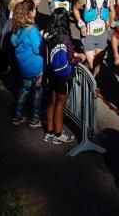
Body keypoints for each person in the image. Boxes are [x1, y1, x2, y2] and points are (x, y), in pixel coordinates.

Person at [42, 8, 85, 144]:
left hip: (50, 73)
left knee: (51, 101)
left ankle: (49, 132)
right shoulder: (65, 38)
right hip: (64, 75)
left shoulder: (46, 34)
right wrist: (81, 57)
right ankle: (58, 133)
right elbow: (71, 59)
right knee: (60, 104)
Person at [8, 0, 44, 127]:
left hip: (23, 66)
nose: (36, 11)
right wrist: (42, 37)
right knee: (37, 92)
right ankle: (35, 118)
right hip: (36, 66)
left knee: (25, 89)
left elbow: (14, 42)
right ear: (29, 13)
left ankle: (17, 115)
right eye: (34, 9)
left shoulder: (17, 27)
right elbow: (37, 49)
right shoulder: (32, 30)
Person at [73, 0, 115, 78]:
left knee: (98, 62)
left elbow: (112, 10)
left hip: (102, 34)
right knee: (92, 63)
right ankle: (86, 78)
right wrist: (81, 24)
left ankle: (93, 82)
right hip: (88, 35)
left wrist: (111, 20)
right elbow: (75, 8)